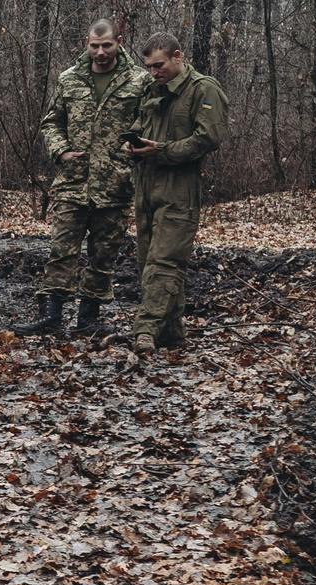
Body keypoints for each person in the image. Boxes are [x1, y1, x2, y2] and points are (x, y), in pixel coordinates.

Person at [14, 19, 144, 336]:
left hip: (114, 183)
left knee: (103, 255)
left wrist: (131, 147)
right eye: (94, 46)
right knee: (62, 251)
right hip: (73, 182)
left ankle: (89, 319)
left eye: (107, 45)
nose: (100, 52)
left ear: (119, 42)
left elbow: (149, 121)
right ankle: (51, 317)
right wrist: (60, 151)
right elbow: (51, 122)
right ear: (86, 43)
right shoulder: (70, 80)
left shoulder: (139, 81)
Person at [120, 32, 229, 355]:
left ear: (178, 56)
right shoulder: (153, 90)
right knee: (147, 264)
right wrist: (133, 145)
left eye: (159, 65)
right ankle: (171, 332)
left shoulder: (203, 89)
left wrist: (163, 151)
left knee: (165, 263)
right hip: (146, 187)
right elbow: (141, 126)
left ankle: (145, 330)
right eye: (149, 67)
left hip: (179, 190)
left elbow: (208, 138)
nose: (154, 72)